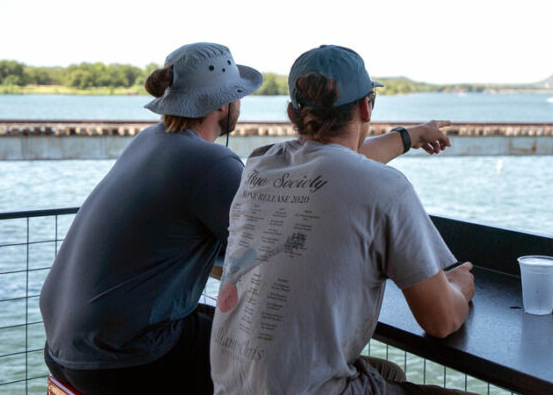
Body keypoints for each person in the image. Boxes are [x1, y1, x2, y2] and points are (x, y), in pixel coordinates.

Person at [40, 42, 452, 395]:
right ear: (225, 103)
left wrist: (408, 137)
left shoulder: (151, 142)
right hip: (126, 356)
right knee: (266, 355)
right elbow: (327, 180)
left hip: (65, 344)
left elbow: (332, 168)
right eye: (239, 93)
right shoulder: (209, 163)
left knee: (234, 338)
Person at [210, 45, 476, 395]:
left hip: (230, 388)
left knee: (383, 371)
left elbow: (333, 161)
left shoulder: (260, 165)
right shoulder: (386, 188)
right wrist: (459, 286)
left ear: (292, 111)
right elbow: (441, 321)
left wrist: (410, 136)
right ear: (367, 106)